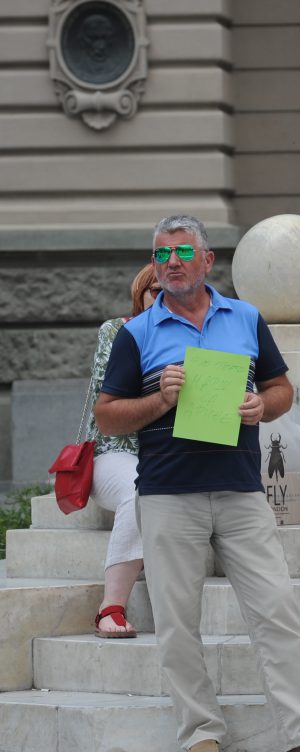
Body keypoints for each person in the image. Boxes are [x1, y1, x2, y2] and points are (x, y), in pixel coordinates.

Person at [94, 214, 300, 752]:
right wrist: (159, 402)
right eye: (162, 255)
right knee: (176, 621)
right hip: (167, 494)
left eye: (183, 253)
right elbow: (108, 418)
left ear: (208, 260)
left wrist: (266, 406)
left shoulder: (246, 317)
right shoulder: (136, 332)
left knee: (276, 611)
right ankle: (199, 733)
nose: (172, 264)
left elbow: (281, 387)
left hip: (240, 490)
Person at [84, 263, 159, 637]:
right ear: (140, 295)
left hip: (169, 452)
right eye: (154, 291)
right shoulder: (117, 330)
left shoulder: (197, 334)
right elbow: (107, 403)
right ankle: (110, 607)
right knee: (139, 491)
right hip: (112, 452)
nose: (162, 298)